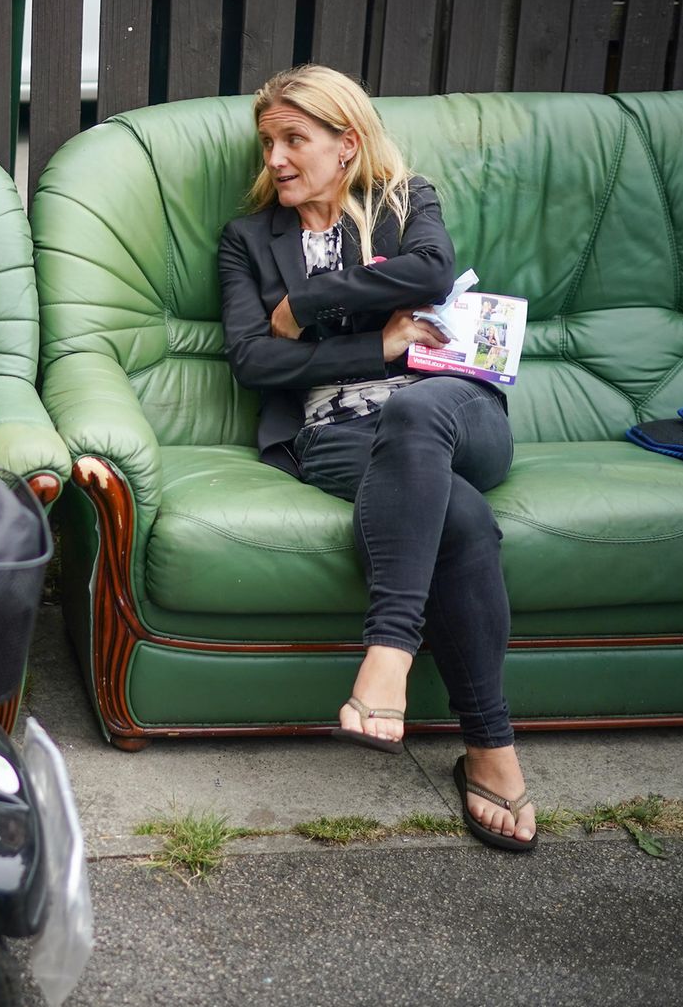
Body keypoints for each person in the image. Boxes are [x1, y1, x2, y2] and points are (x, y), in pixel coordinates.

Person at [215, 64, 537, 852]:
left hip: (457, 413)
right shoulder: (248, 241)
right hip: (338, 437)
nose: (276, 160)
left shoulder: (405, 202)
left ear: (346, 143)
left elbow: (429, 271)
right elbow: (254, 363)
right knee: (458, 516)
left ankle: (388, 651)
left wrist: (306, 306)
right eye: (268, 144)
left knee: (422, 410)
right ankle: (491, 750)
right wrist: (381, 338)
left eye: (295, 140)